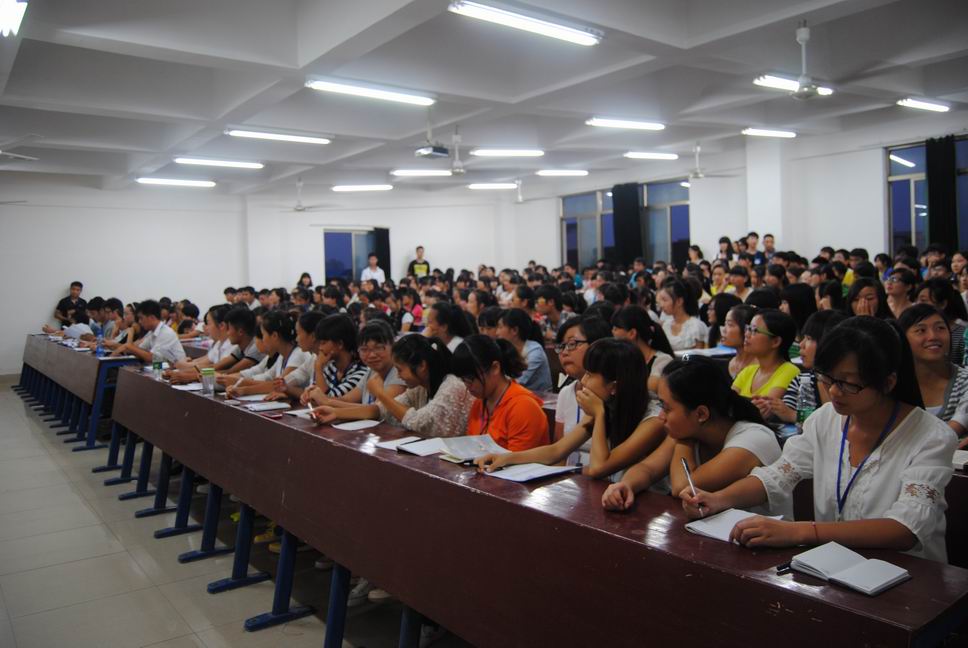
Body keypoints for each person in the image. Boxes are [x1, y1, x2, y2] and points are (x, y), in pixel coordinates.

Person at [681, 317, 955, 563]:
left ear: (888, 382)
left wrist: (799, 531)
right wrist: (719, 499)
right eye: (827, 378)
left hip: (909, 577)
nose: (834, 391)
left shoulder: (930, 436)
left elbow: (905, 529)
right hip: (833, 567)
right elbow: (778, 476)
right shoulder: (825, 419)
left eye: (848, 383)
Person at [602, 357, 783, 512]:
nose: (661, 416)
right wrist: (626, 485)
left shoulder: (753, 440)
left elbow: (683, 486)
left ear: (701, 414)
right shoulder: (690, 431)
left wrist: (682, 441)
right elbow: (647, 469)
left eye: (667, 408)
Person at [475, 338, 665, 481]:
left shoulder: (653, 421)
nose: (583, 381)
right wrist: (506, 458)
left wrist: (599, 415)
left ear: (614, 386)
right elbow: (556, 451)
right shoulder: (606, 406)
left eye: (590, 375)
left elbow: (598, 468)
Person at [311, 335, 473, 437]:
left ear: (422, 366)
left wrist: (381, 394)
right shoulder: (420, 387)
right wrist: (335, 413)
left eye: (400, 369)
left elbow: (419, 422)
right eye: (364, 349)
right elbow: (379, 410)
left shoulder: (452, 386)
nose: (399, 375)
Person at [452, 335, 549, 451]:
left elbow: (517, 460)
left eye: (470, 378)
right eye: (463, 380)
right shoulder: (479, 404)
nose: (468, 386)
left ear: (495, 368)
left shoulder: (522, 407)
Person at [756, 310, 848, 424]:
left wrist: (794, 416)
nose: (801, 344)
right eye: (803, 337)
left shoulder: (849, 384)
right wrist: (769, 409)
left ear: (828, 343)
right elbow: (785, 410)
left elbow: (843, 422)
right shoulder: (802, 380)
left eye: (809, 339)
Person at [898, 305, 968, 438]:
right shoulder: (892, 384)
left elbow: (947, 436)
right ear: (903, 338)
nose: (933, 336)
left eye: (940, 328)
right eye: (921, 330)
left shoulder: (965, 382)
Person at [550, 316, 613, 462]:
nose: (564, 352)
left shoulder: (613, 394)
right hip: (571, 473)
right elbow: (557, 452)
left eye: (572, 344)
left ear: (598, 346)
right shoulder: (566, 393)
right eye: (561, 346)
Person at [225, 311, 310, 398]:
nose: (263, 340)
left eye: (263, 335)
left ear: (274, 336)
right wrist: (240, 383)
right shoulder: (282, 356)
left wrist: (243, 388)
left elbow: (278, 385)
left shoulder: (298, 354)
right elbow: (268, 376)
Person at [734, 309, 800, 408]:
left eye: (755, 330)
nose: (747, 334)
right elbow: (727, 403)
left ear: (776, 341)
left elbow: (763, 409)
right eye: (748, 328)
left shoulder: (789, 371)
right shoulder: (747, 371)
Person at [301, 314, 368, 406]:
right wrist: (308, 394)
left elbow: (326, 400)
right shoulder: (331, 367)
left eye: (323, 343)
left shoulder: (360, 372)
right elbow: (314, 393)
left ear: (340, 344)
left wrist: (318, 367)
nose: (320, 348)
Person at [611, 305, 674, 395]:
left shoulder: (662, 360)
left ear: (632, 333)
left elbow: (649, 390)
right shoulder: (621, 358)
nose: (612, 332)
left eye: (616, 328)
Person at [496, 308, 553, 393]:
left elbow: (518, 381)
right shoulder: (505, 349)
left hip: (539, 398)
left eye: (500, 327)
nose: (497, 333)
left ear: (514, 330)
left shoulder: (535, 351)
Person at [113, 300, 186, 364]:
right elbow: (141, 349)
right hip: (163, 369)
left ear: (152, 317)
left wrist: (129, 346)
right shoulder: (152, 332)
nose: (139, 321)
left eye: (141, 318)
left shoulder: (166, 333)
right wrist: (127, 349)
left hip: (177, 370)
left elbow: (152, 358)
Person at [917, 277, 968, 365]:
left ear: (942, 304)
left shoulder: (962, 335)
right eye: (917, 300)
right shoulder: (915, 331)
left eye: (923, 300)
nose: (917, 305)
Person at [658, 280, 708, 351]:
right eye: (661, 300)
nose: (661, 305)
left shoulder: (696, 327)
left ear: (679, 301)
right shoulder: (666, 325)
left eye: (665, 300)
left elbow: (698, 355)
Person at [722, 305, 757, 379]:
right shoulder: (724, 365)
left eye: (730, 325)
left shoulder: (760, 368)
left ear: (747, 329)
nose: (724, 330)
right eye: (725, 324)